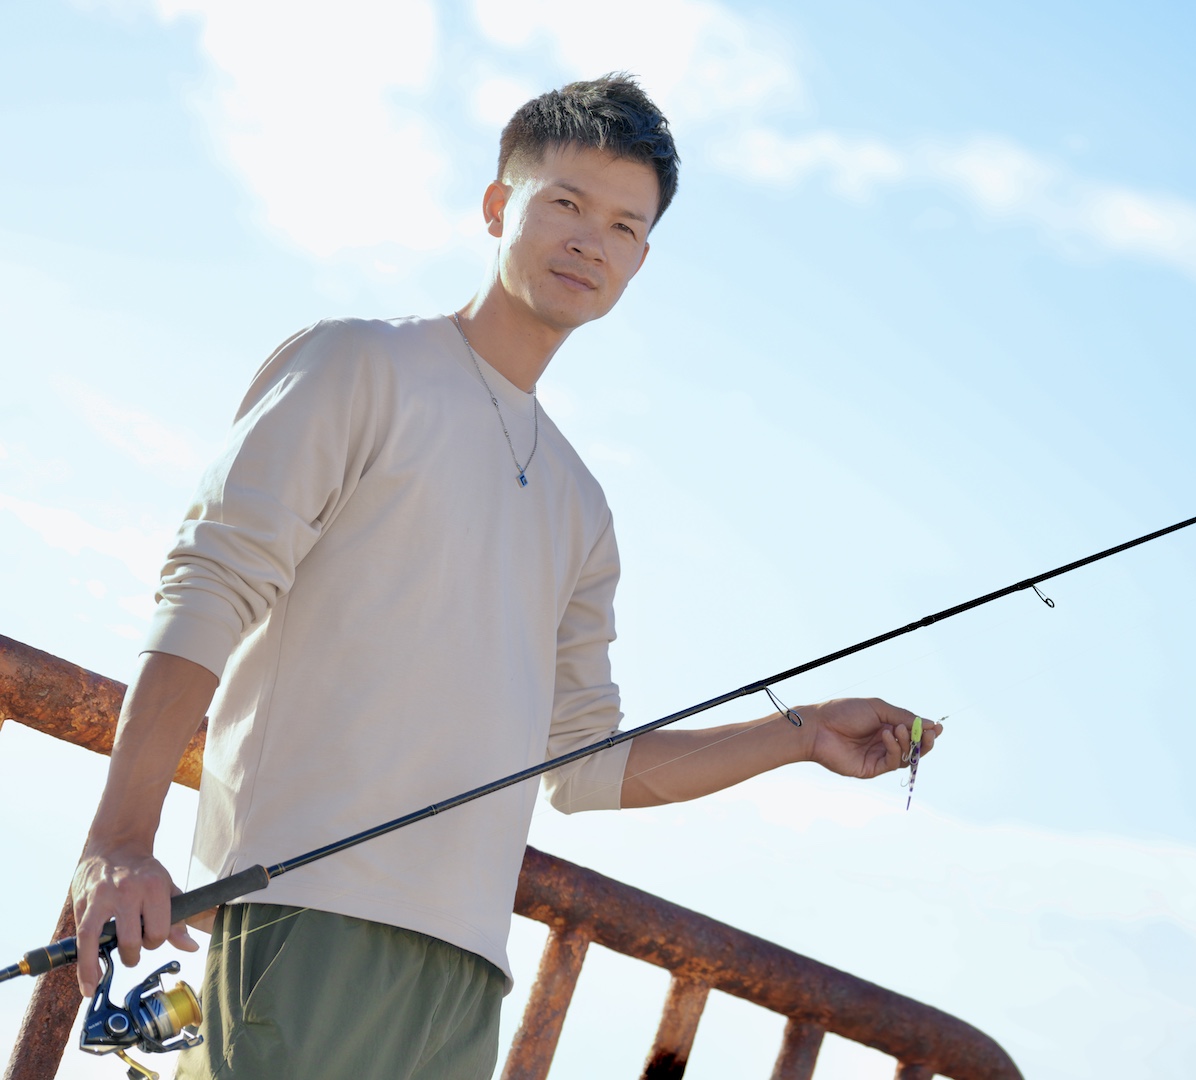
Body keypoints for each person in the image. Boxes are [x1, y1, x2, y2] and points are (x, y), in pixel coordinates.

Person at [69, 73, 942, 1080]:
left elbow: (583, 765)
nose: (591, 241)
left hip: (468, 973)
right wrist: (120, 840)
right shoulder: (357, 364)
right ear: (498, 206)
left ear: (641, 258)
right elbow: (210, 585)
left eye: (623, 225)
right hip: (298, 919)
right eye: (566, 202)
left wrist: (799, 734)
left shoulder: (582, 505)